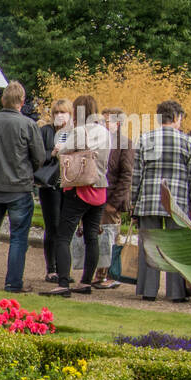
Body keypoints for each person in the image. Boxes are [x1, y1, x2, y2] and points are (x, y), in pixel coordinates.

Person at [0, 80, 46, 293]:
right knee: (18, 238)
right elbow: (39, 157)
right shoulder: (28, 125)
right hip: (18, 186)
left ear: (3, 99)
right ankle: (13, 282)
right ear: (22, 102)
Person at [130, 99, 191, 301]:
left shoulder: (145, 139)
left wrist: (134, 202)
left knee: (149, 245)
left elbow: (137, 175)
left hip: (149, 197)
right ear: (177, 117)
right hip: (176, 201)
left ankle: (148, 290)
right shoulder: (188, 142)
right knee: (176, 246)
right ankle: (176, 292)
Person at [46, 94, 111, 297]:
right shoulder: (105, 132)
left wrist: (57, 150)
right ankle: (85, 281)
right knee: (92, 236)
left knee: (64, 236)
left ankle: (63, 282)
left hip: (79, 188)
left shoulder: (79, 131)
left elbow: (62, 151)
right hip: (100, 187)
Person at [91, 107, 133, 289]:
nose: (103, 123)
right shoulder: (97, 141)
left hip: (111, 199)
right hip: (95, 196)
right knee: (98, 236)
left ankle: (106, 274)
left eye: (107, 120)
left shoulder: (125, 144)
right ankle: (98, 273)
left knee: (109, 237)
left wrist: (114, 203)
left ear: (118, 123)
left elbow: (127, 176)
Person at [37, 98, 71, 283]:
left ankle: (64, 268)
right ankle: (51, 268)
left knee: (65, 228)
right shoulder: (46, 131)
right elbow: (37, 154)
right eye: (56, 112)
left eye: (63, 112)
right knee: (52, 226)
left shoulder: (74, 133)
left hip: (68, 184)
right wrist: (52, 152)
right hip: (50, 184)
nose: (59, 116)